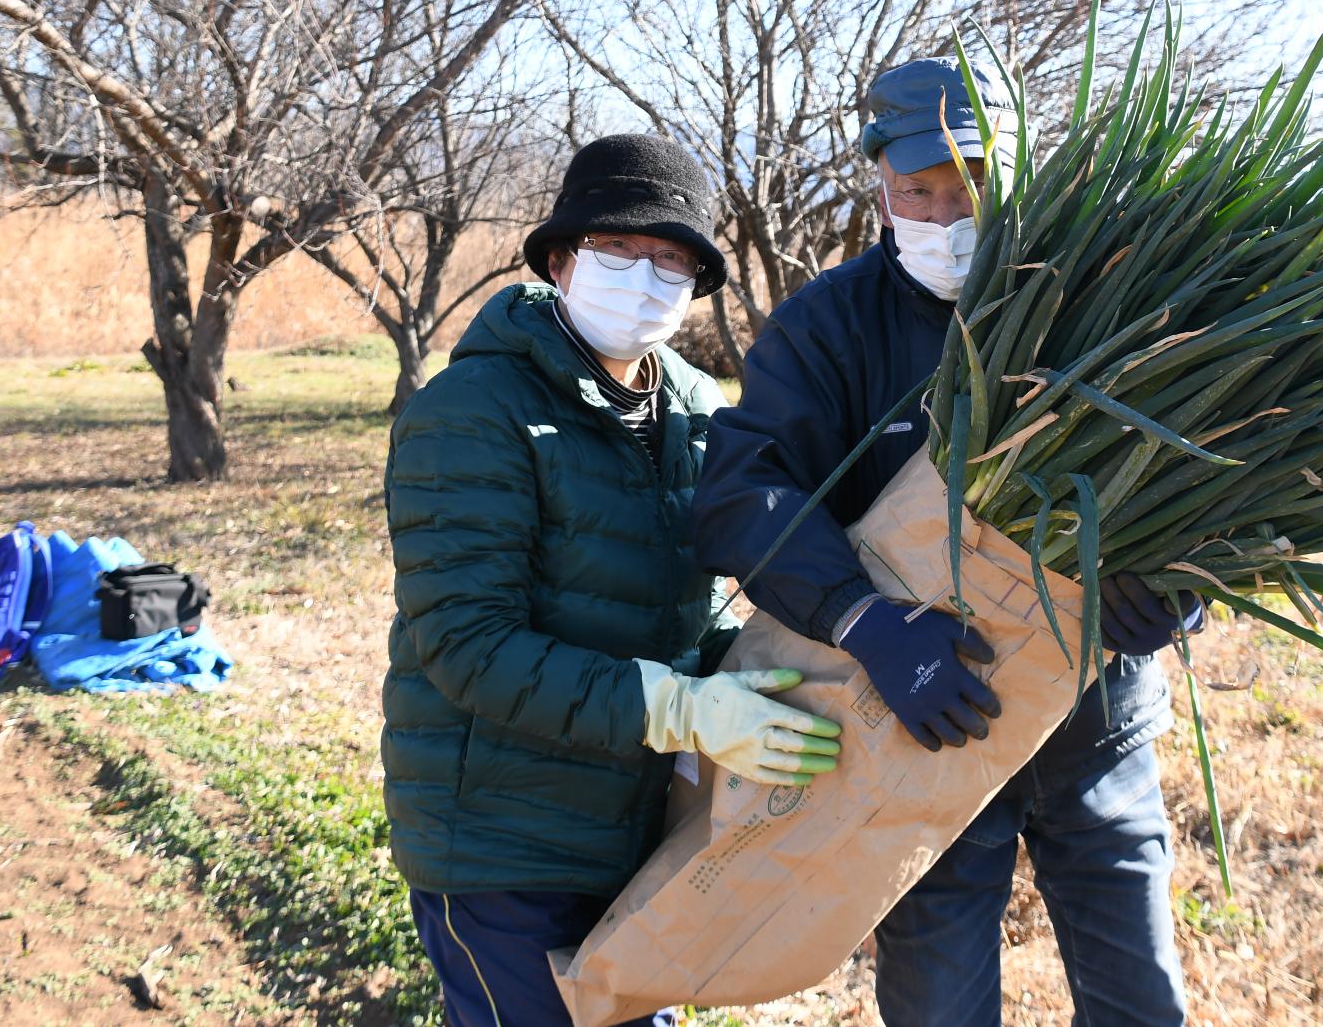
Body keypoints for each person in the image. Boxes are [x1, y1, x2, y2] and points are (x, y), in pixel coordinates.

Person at [694, 61, 1202, 1026]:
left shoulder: (1108, 303)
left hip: (1096, 711)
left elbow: (1214, 458)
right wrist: (862, 618)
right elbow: (743, 491)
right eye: (917, 190)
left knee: (1140, 989)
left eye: (972, 183)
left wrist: (1180, 585)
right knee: (939, 998)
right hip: (927, 705)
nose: (945, 213)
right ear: (877, 182)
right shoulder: (830, 324)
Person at [382, 133, 845, 1027]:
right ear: (561, 260)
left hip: (633, 827)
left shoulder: (698, 407)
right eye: (618, 250)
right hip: (500, 840)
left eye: (671, 260)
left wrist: (737, 674)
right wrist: (679, 710)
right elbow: (468, 646)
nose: (645, 277)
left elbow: (697, 592)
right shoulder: (473, 413)